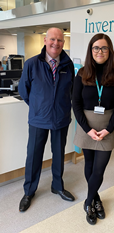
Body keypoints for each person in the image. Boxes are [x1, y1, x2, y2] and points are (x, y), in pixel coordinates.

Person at [18, 27, 75, 212]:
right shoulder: (32, 64)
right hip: (38, 119)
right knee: (33, 156)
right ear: (45, 40)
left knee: (58, 154)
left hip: (61, 118)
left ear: (63, 43)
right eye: (52, 39)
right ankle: (29, 191)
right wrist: (38, 107)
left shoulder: (68, 65)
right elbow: (24, 91)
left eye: (59, 40)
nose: (55, 43)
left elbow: (71, 91)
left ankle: (57, 186)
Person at [72, 33, 114, 225]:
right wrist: (87, 129)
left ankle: (88, 201)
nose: (100, 51)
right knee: (89, 164)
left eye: (104, 48)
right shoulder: (82, 73)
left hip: (106, 128)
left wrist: (109, 129)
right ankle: (96, 199)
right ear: (91, 50)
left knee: (99, 169)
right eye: (96, 48)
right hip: (86, 126)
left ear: (109, 50)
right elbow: (76, 103)